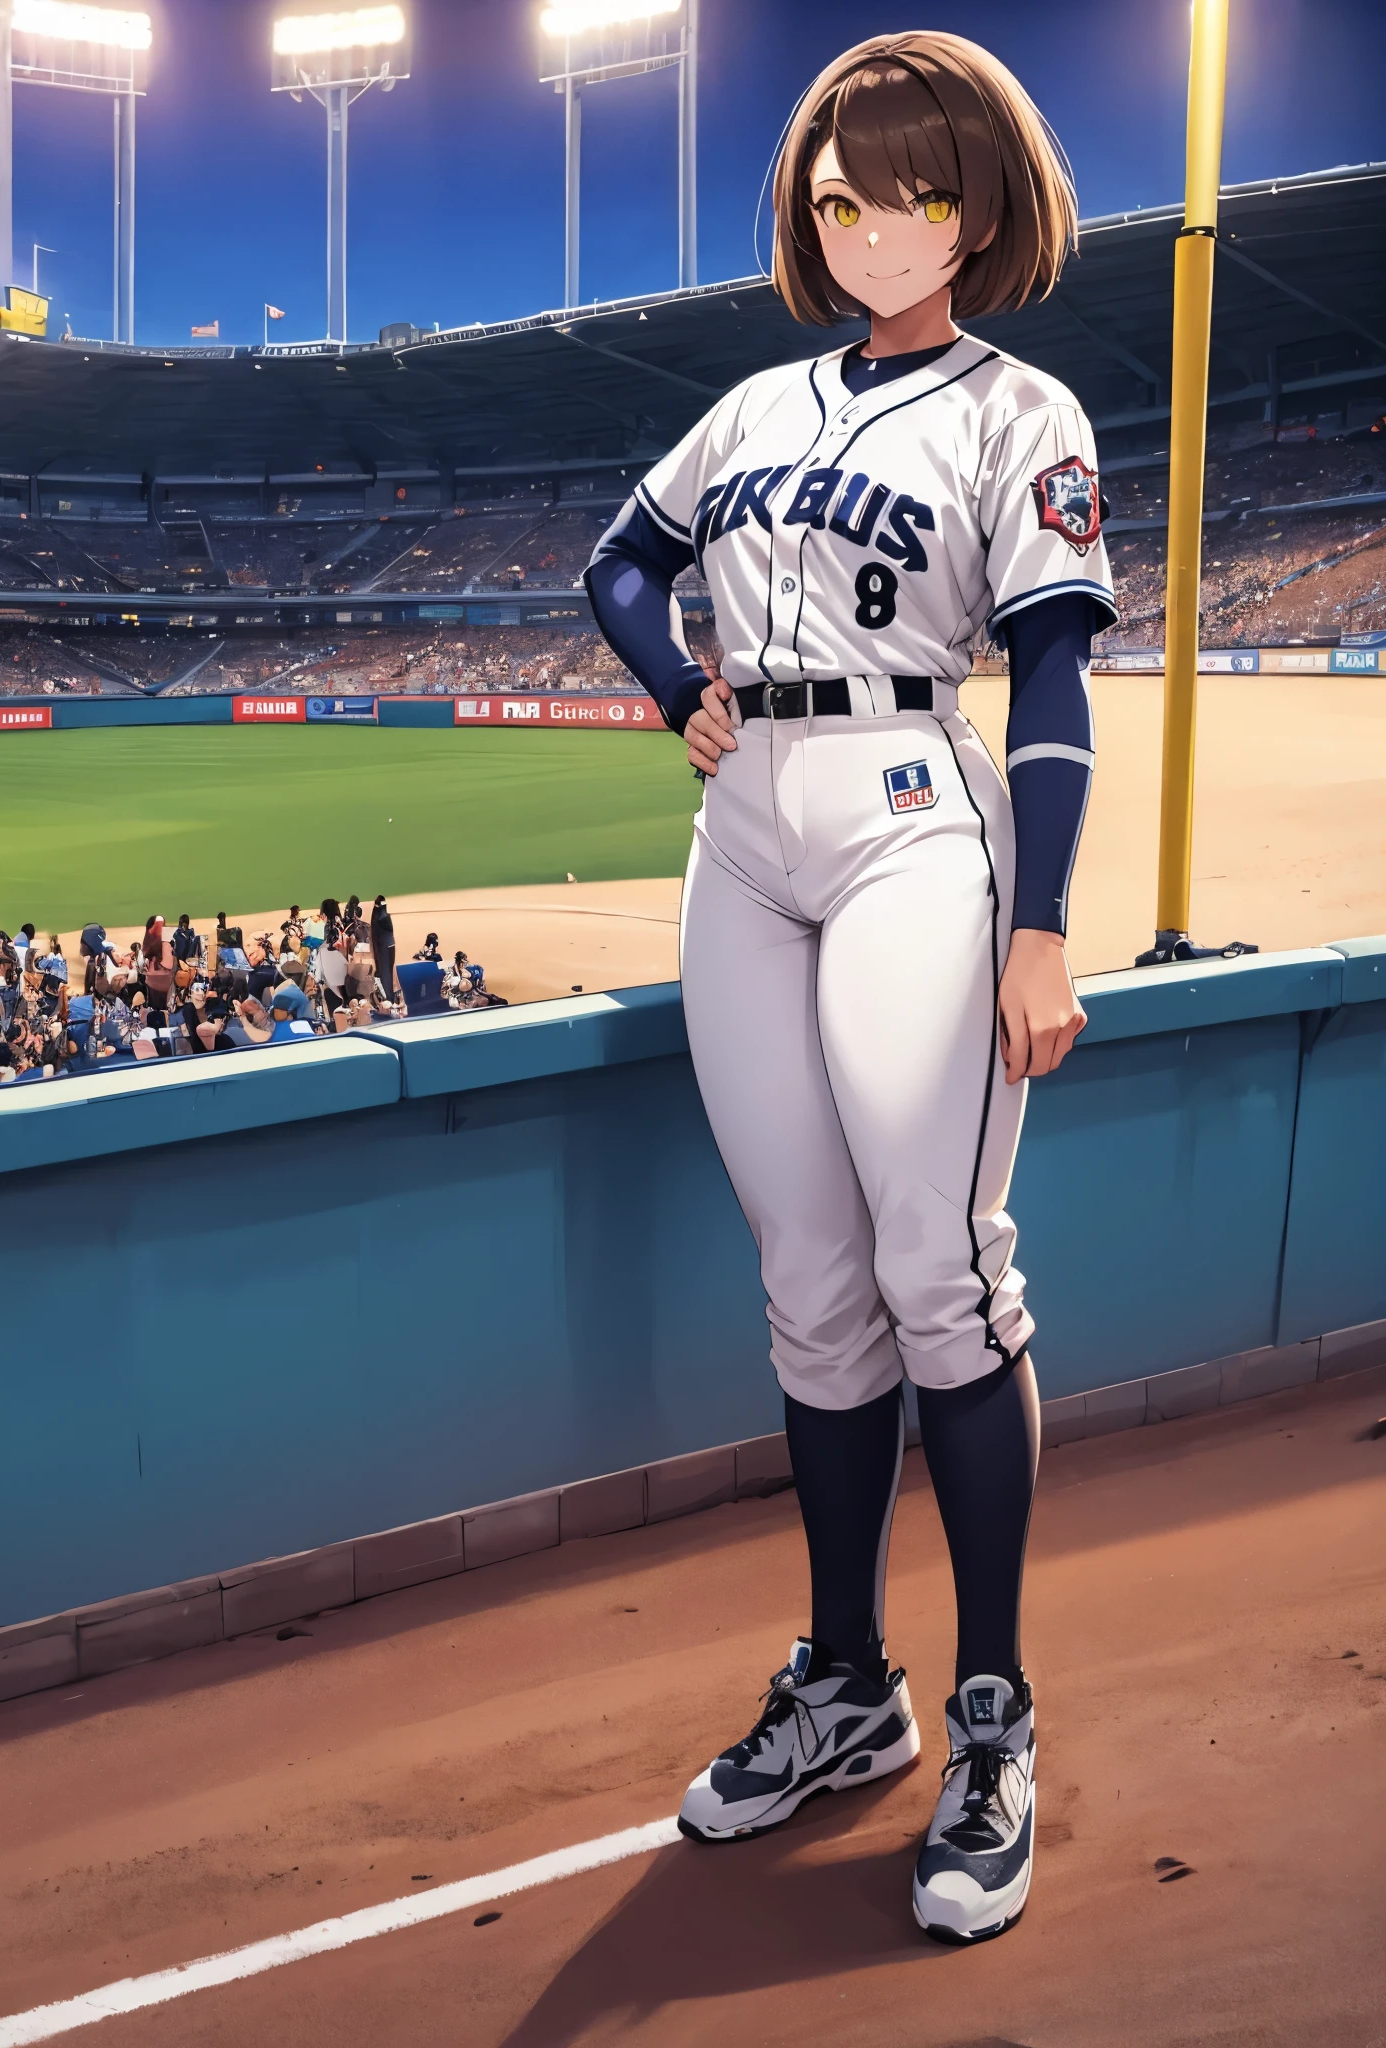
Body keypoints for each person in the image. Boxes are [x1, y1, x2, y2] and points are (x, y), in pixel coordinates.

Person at [583, 32, 1105, 1946]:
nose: (874, 220)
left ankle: (988, 1714)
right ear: (808, 211)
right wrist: (671, 690)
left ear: (974, 202)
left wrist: (1036, 920)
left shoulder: (1016, 409)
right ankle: (843, 1682)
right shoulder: (745, 407)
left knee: (934, 1267)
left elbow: (1048, 672)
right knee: (808, 1289)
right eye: (839, 190)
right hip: (744, 834)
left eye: (912, 188)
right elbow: (614, 568)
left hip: (910, 814)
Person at [369, 896, 396, 1003]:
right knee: (387, 971)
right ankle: (389, 997)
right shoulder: (384, 918)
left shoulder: (378, 917)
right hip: (387, 945)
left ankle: (389, 997)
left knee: (385, 970)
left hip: (383, 945)